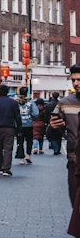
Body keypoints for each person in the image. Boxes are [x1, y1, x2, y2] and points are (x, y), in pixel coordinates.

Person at [62, 66, 80, 236]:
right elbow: (52, 131)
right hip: (74, 162)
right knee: (75, 204)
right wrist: (53, 129)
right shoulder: (65, 103)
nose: (75, 83)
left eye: (79, 80)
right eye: (73, 80)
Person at [0, 84, 21, 176]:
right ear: (8, 92)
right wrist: (19, 128)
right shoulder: (13, 102)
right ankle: (6, 168)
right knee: (8, 148)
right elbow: (17, 116)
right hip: (9, 127)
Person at [15, 87, 38, 165]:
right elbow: (35, 113)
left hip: (19, 125)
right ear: (27, 92)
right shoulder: (31, 102)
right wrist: (32, 118)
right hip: (29, 124)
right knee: (29, 140)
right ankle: (28, 155)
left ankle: (21, 158)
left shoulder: (16, 102)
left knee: (20, 141)